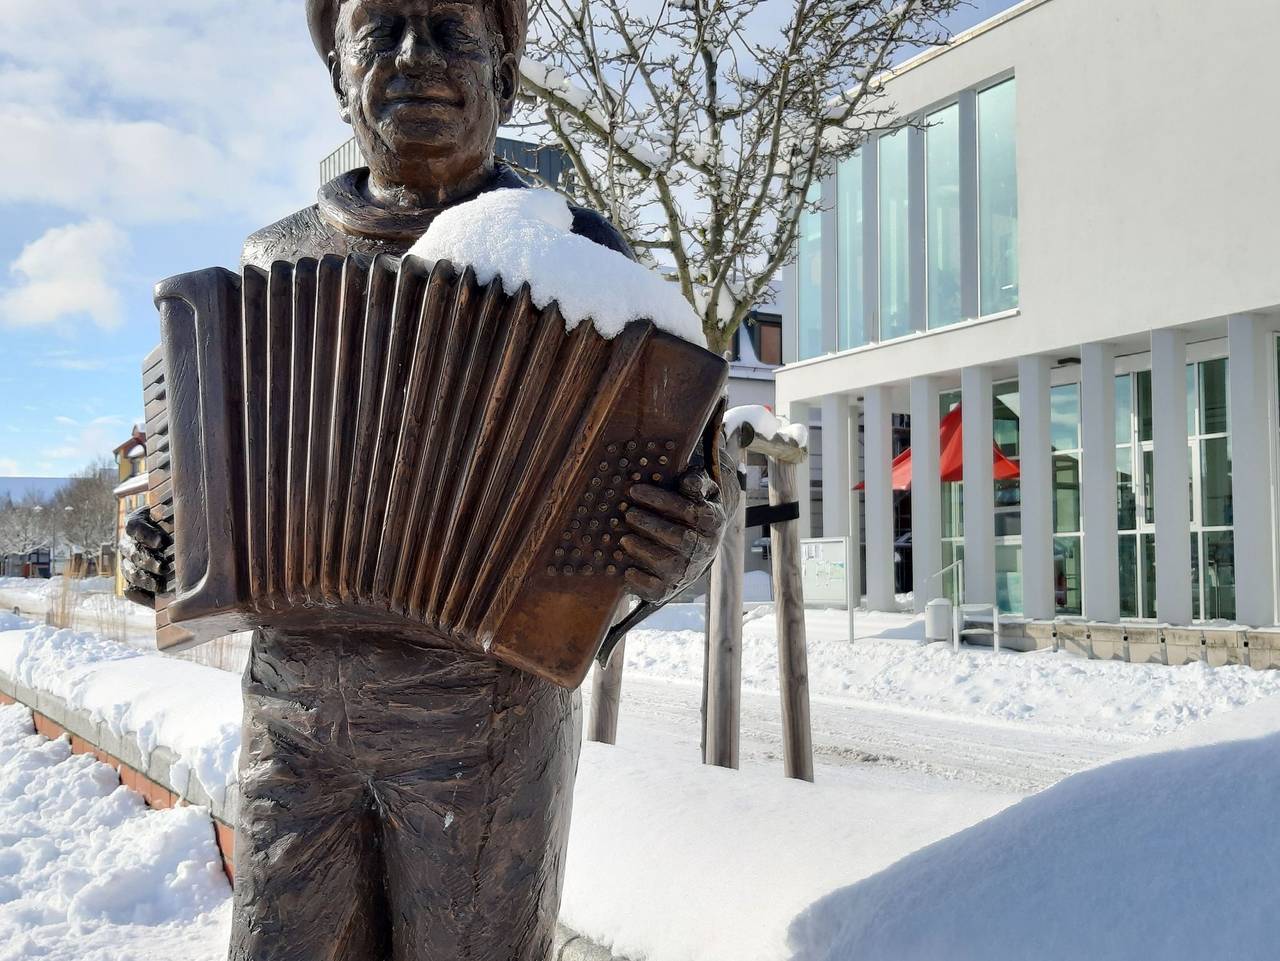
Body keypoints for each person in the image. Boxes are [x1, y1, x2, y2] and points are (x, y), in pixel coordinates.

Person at [120, 2, 729, 960]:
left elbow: (689, 493)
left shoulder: (577, 258)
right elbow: (186, 498)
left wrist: (682, 546)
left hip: (485, 725)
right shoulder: (269, 263)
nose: (416, 60)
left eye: (450, 31)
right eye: (382, 32)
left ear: (505, 70)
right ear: (338, 73)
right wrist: (156, 546)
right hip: (295, 717)